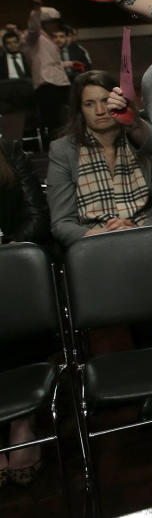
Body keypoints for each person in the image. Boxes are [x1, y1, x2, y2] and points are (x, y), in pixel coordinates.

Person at [46, 70, 152, 247]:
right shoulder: (63, 150)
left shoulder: (140, 138)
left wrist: (139, 230)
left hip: (148, 237)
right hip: (94, 245)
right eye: (89, 104)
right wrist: (101, 234)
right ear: (80, 110)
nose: (100, 111)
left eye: (105, 101)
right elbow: (61, 223)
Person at [0, 138, 51, 486]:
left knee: (14, 282)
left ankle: (22, 420)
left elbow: (36, 215)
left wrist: (7, 246)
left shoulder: (8, 151)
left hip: (9, 259)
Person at [21, 0, 71, 137]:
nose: (55, 25)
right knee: (53, 121)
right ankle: (55, 149)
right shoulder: (33, 38)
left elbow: (51, 61)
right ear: (44, 23)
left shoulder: (49, 38)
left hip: (60, 82)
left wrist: (69, 64)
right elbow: (33, 28)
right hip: (46, 84)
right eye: (52, 22)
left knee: (67, 117)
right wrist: (37, 7)